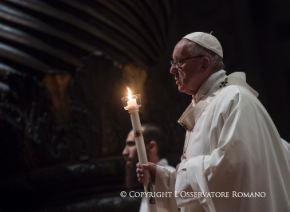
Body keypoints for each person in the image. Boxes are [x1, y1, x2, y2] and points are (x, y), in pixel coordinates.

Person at [136, 32, 290, 212]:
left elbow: (236, 169)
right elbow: (207, 177)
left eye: (179, 62)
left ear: (203, 65)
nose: (171, 70)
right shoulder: (205, 104)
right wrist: (166, 179)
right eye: (172, 63)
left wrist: (185, 174)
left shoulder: (235, 99)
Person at [122, 124, 175, 212]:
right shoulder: (149, 179)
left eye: (131, 144)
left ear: (151, 147)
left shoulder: (171, 178)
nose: (124, 152)